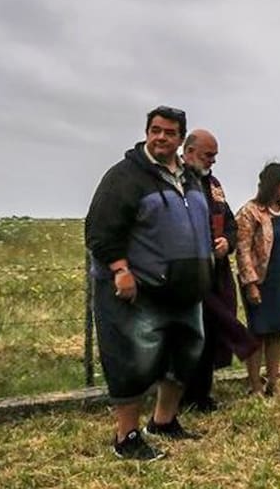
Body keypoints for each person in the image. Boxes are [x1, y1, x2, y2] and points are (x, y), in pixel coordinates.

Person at [84, 106, 214, 460]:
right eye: (154, 130)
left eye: (169, 132)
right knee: (133, 361)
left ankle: (164, 421)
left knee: (183, 356)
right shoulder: (125, 177)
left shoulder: (191, 177)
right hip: (140, 290)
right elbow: (99, 229)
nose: (160, 137)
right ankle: (126, 437)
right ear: (146, 132)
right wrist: (119, 269)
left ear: (179, 139)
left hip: (186, 290)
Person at [180, 130, 259, 412]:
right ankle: (181, 394)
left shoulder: (214, 184)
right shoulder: (175, 182)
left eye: (215, 156)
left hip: (217, 270)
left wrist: (228, 241)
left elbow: (229, 223)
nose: (212, 161)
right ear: (188, 152)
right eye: (207, 155)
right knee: (189, 333)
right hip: (186, 272)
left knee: (211, 332)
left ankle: (202, 393)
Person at [235, 162, 280, 397]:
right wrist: (251, 284)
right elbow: (243, 250)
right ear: (273, 185)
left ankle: (274, 382)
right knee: (258, 332)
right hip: (262, 280)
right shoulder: (250, 212)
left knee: (276, 332)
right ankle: (255, 386)